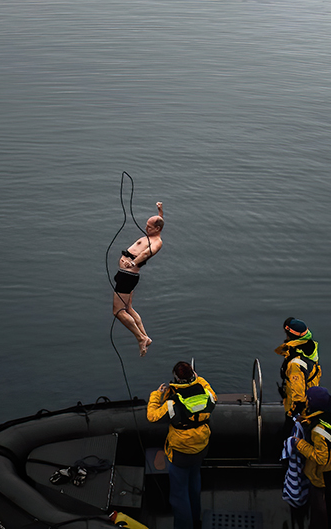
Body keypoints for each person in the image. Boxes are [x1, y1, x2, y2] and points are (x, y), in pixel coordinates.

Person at [146, 362, 216, 529]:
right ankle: (196, 520)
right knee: (194, 483)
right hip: (200, 449)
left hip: (180, 454)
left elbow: (152, 416)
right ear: (194, 375)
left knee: (179, 495)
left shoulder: (173, 403)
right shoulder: (208, 395)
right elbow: (210, 391)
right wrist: (200, 380)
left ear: (176, 378)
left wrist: (157, 394)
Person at [113, 201, 163, 356]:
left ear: (157, 229)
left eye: (149, 227)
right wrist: (160, 211)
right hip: (127, 276)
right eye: (146, 225)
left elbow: (146, 253)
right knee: (128, 308)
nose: (146, 228)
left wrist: (133, 262)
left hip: (128, 276)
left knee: (118, 312)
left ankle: (140, 338)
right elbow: (160, 221)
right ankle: (145, 337)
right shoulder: (155, 230)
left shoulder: (157, 242)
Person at [294, 386, 331, 529]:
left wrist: (300, 444)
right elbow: (318, 418)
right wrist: (306, 419)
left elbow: (320, 458)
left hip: (323, 468)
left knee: (318, 498)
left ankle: (318, 525)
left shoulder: (318, 432)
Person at [275, 318, 321, 421]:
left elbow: (299, 397)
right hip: (312, 396)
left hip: (300, 408)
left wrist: (292, 414)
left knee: (288, 431)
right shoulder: (309, 346)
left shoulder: (295, 364)